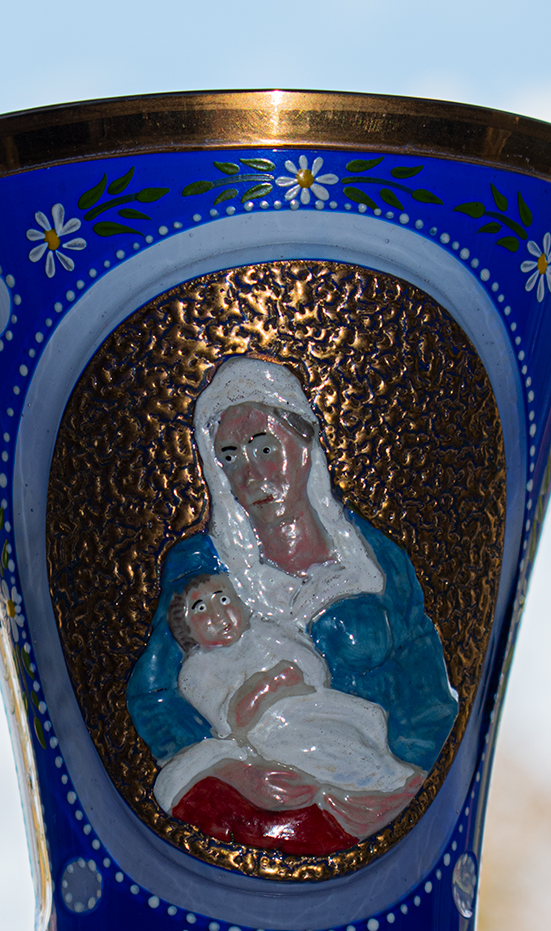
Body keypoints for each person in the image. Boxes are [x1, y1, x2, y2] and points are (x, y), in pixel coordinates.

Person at [126, 355, 457, 856]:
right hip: (260, 798)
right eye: (230, 457)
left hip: (381, 791)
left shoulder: (374, 562)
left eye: (265, 448)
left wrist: (403, 779)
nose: (252, 474)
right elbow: (154, 695)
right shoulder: (201, 567)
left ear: (305, 444)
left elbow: (427, 689)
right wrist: (234, 770)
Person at [151, 571, 423, 840]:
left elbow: (314, 670)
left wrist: (295, 673)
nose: (219, 614)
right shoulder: (198, 670)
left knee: (370, 717)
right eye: (201, 609)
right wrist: (269, 684)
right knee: (321, 745)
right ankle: (384, 783)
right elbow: (230, 722)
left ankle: (390, 773)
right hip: (269, 729)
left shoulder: (265, 632)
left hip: (311, 703)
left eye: (223, 600)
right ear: (185, 627)